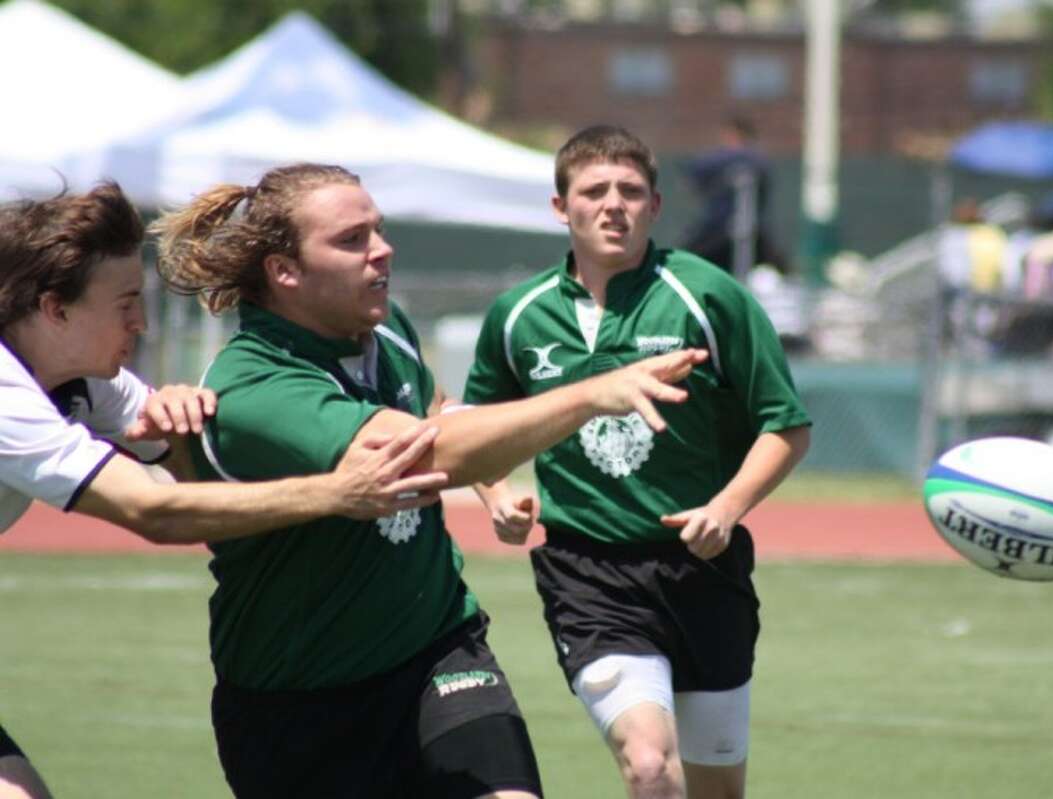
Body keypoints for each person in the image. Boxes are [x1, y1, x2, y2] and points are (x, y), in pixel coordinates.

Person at [150, 162, 707, 799]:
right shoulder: (253, 385)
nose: (382, 250)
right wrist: (591, 396)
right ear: (285, 272)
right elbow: (415, 451)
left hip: (438, 651)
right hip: (298, 706)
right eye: (352, 239)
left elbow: (433, 408)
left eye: (379, 230)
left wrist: (490, 485)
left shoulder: (385, 329)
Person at [0, 183, 451, 799]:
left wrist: (180, 419)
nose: (143, 323)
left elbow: (187, 467)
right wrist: (339, 492)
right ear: (55, 310)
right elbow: (152, 510)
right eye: (127, 303)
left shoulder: (82, 379)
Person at [465, 125, 812, 799]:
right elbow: (472, 430)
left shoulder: (710, 297)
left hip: (704, 569)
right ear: (561, 208)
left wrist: (727, 506)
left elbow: (787, 425)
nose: (613, 204)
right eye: (594, 191)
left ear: (655, 205)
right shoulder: (519, 315)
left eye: (630, 191)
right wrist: (495, 494)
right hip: (588, 573)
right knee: (649, 765)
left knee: (716, 789)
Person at [681, 116, 783, 277]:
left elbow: (699, 167)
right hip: (718, 231)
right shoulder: (751, 160)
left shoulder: (748, 160)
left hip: (729, 229)